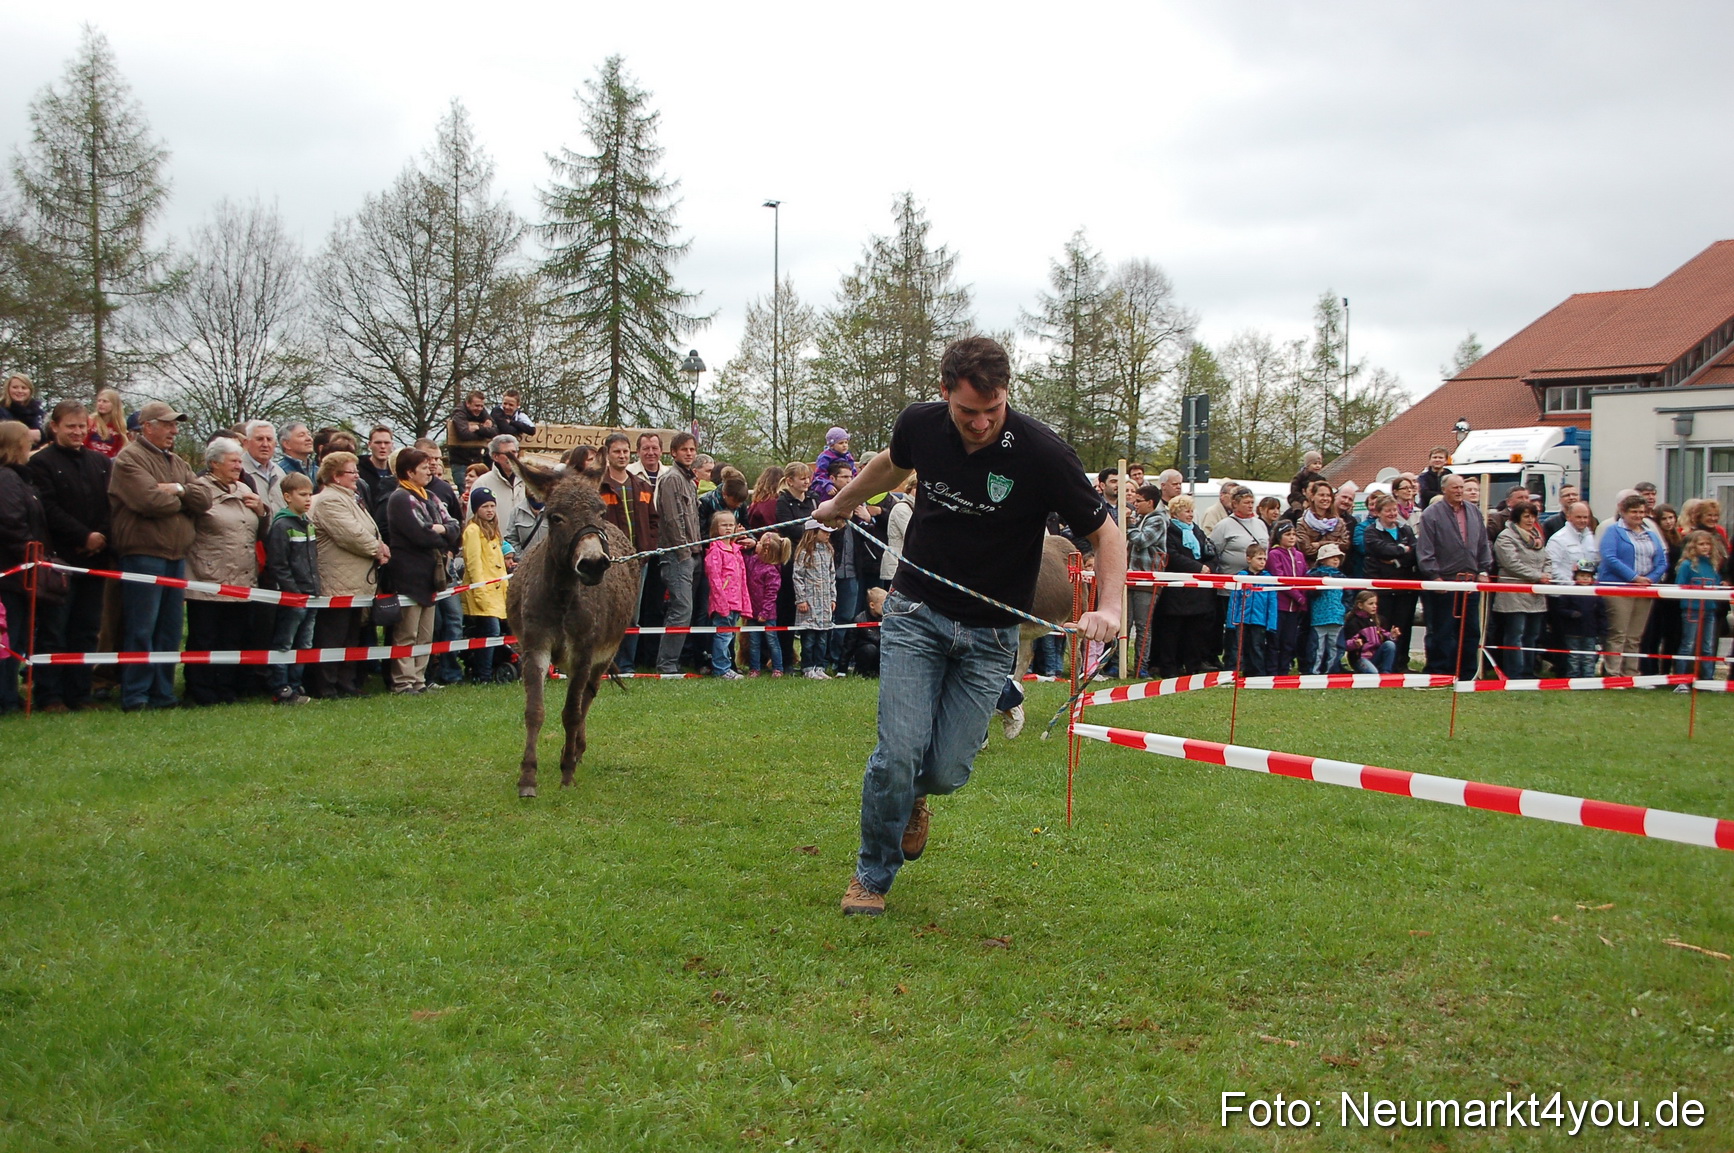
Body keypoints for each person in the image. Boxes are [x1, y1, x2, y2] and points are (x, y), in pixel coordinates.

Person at [815, 336, 1123, 916]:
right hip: (916, 614)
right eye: (967, 411)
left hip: (989, 637)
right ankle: (871, 876)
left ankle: (914, 801)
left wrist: (1111, 608)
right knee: (897, 753)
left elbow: (1106, 532)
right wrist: (839, 503)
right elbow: (891, 462)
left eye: (993, 409)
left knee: (949, 769)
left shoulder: (1041, 453)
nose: (980, 423)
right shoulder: (921, 425)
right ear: (943, 394)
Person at [109, 401, 213, 711]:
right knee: (142, 628)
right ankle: (136, 694)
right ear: (148, 426)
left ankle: (163, 693)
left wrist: (178, 489)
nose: (174, 430)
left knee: (168, 631)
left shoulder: (177, 462)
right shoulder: (128, 460)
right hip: (143, 554)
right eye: (168, 424)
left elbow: (204, 498)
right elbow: (149, 501)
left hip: (175, 555)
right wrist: (183, 499)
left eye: (175, 425)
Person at [27, 402, 113, 712]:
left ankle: (80, 693)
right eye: (70, 427)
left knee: (87, 628)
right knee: (54, 630)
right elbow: (47, 508)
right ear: (55, 427)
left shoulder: (101, 463)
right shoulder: (41, 463)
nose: (77, 432)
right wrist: (82, 536)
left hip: (96, 560)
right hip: (59, 560)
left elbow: (109, 505)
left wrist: (99, 537)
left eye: (81, 427)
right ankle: (50, 695)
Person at [184, 437, 268, 707]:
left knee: (232, 637)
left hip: (242, 577)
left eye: (239, 461)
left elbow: (261, 531)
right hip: (208, 576)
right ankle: (201, 689)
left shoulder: (245, 488)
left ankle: (227, 686)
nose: (238, 466)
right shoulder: (199, 490)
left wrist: (262, 511)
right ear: (213, 463)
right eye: (233, 461)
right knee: (204, 636)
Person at [309, 451, 387, 698]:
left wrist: (380, 545)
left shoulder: (351, 498)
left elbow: (369, 529)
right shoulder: (328, 501)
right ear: (335, 476)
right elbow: (351, 534)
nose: (356, 476)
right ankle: (326, 685)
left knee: (351, 636)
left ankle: (346, 683)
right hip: (337, 583)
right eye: (351, 472)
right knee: (333, 635)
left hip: (356, 583)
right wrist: (378, 549)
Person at [385, 448, 458, 694]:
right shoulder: (400, 499)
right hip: (409, 575)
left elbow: (454, 526)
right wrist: (440, 532)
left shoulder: (429, 496)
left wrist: (441, 530)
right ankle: (402, 682)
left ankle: (418, 679)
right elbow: (420, 534)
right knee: (407, 632)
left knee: (425, 633)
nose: (430, 471)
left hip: (431, 576)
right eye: (424, 467)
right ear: (409, 471)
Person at [1416, 473, 1491, 680]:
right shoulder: (1431, 514)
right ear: (1444, 489)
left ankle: (1467, 675)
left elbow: (1483, 543)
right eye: (1455, 487)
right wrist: (1434, 576)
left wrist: (1483, 569)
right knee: (1442, 631)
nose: (1459, 491)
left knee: (1470, 631)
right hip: (1445, 582)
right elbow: (1425, 549)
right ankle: (1440, 673)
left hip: (1470, 582)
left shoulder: (1474, 512)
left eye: (1461, 487)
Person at [0, 422, 46, 714]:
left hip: (22, 571)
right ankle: (4, 698)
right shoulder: (6, 479)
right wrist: (31, 552)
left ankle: (8, 694)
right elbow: (11, 521)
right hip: (11, 572)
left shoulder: (21, 479)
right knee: (8, 636)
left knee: (17, 638)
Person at [263, 472, 319, 705]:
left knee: (304, 643)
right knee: (285, 643)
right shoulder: (282, 526)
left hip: (312, 593)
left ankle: (297, 684)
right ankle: (281, 686)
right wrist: (293, 592)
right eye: (302, 494)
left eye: (310, 494)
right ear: (287, 497)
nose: (308, 499)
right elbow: (278, 564)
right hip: (293, 596)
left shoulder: (308, 524)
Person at [1597, 493, 1667, 677]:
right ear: (1623, 512)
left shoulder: (1651, 533)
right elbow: (1609, 557)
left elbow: (1661, 560)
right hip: (1618, 588)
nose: (1638, 515)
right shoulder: (1613, 531)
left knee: (1635, 636)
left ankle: (1631, 673)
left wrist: (1650, 579)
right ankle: (1613, 673)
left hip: (1644, 590)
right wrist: (1634, 577)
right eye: (1634, 512)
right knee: (1618, 633)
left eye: (1641, 512)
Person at [1149, 494, 1216, 678]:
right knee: (1171, 633)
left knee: (1194, 633)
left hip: (1198, 592)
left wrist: (1209, 567)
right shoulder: (1169, 531)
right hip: (1176, 593)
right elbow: (1171, 555)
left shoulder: (1197, 531)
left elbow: (1209, 552)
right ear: (1176, 512)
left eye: (1192, 510)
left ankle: (1192, 666)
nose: (1191, 514)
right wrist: (1197, 568)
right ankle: (1169, 667)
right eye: (1187, 511)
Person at [652, 432, 702, 674]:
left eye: (692, 449)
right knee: (681, 609)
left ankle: (674, 660)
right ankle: (667, 664)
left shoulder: (688, 479)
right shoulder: (672, 479)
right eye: (684, 450)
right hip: (677, 555)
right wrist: (683, 553)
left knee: (684, 609)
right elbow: (672, 520)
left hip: (693, 552)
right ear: (673, 453)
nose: (689, 453)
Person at [1491, 501, 1551, 678]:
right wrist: (1536, 576)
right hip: (1513, 594)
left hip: (1536, 594)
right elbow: (1511, 563)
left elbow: (1547, 559)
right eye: (1526, 516)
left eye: (1533, 516)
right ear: (1517, 517)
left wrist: (1546, 574)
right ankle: (1514, 673)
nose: (1531, 520)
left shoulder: (1537, 537)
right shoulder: (1506, 537)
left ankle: (1528, 671)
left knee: (1532, 635)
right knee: (1515, 634)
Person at [1362, 493, 1419, 669]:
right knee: (1383, 625)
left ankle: (1401, 663)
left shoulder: (1405, 530)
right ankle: (1382, 663)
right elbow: (1379, 549)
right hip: (1382, 588)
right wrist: (1401, 550)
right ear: (1378, 512)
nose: (1392, 513)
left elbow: (1414, 552)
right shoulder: (1371, 531)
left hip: (1405, 587)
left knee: (1403, 626)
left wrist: (1396, 558)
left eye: (1394, 510)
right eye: (1388, 510)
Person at [460, 488, 509, 684]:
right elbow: (474, 565)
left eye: (492, 506)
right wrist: (480, 593)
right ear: (476, 509)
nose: (489, 510)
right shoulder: (473, 531)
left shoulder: (494, 531)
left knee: (497, 633)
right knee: (490, 632)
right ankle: (483, 674)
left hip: (497, 593)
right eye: (484, 506)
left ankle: (492, 669)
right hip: (483, 592)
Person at [773, 462, 819, 670]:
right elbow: (791, 530)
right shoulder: (783, 502)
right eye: (802, 478)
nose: (806, 482)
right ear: (790, 481)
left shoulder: (813, 500)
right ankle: (785, 659)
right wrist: (811, 532)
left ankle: (812, 660)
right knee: (787, 611)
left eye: (808, 478)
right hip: (791, 561)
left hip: (811, 560)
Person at [703, 508, 751, 680]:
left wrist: (745, 603)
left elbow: (742, 579)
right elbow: (715, 580)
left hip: (736, 602)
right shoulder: (715, 551)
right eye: (724, 525)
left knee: (730, 636)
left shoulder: (736, 550)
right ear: (716, 528)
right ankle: (721, 668)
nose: (728, 528)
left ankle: (727, 666)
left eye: (731, 525)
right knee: (722, 636)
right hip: (722, 604)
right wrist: (721, 603)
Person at [1126, 482, 1168, 676]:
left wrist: (1129, 526)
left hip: (1147, 579)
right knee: (1125, 624)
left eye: (1139, 501)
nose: (1135, 505)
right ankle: (1118, 663)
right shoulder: (1141, 518)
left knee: (1143, 626)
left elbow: (1142, 540)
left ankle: (1141, 667)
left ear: (1150, 502)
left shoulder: (1158, 520)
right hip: (1130, 576)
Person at [1674, 530, 1724, 687]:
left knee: (1708, 646)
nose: (1705, 547)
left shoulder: (1712, 564)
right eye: (1701, 544)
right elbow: (1679, 586)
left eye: (1708, 544)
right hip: (1692, 609)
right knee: (1688, 644)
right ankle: (1681, 680)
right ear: (1692, 546)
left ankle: (1708, 680)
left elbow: (1716, 584)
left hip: (1709, 609)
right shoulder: (1687, 565)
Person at [791, 519, 836, 679]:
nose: (828, 534)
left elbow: (832, 576)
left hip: (824, 603)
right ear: (813, 532)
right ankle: (807, 666)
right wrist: (801, 599)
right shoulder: (804, 553)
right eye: (824, 531)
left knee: (822, 639)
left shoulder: (828, 551)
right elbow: (797, 577)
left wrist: (833, 598)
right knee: (809, 638)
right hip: (810, 603)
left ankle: (820, 666)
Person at [1265, 520, 1310, 675]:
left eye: (1294, 534)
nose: (1292, 537)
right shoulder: (1274, 554)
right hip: (1279, 605)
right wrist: (1299, 597)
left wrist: (1302, 599)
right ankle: (1271, 670)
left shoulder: (1299, 555)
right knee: (1274, 640)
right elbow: (1280, 578)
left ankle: (1284, 670)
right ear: (1279, 536)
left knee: (1289, 641)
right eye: (1287, 534)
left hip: (1295, 607)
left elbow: (1304, 577)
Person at [1549, 561, 1607, 677]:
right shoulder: (1569, 592)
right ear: (1575, 577)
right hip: (1572, 632)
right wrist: (1571, 614)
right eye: (1581, 576)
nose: (1584, 579)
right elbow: (1560, 609)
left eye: (1587, 576)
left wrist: (1602, 630)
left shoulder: (1596, 595)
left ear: (1592, 578)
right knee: (1573, 656)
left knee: (1589, 657)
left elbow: (1601, 614)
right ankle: (1573, 677)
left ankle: (1588, 677)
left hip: (1590, 632)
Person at [1224, 543, 1274, 673]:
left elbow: (1272, 603)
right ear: (1249, 559)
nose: (1262, 562)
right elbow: (1234, 600)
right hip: (1241, 620)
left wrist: (1271, 624)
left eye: (1264, 559)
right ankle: (1233, 673)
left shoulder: (1268, 578)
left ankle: (1257, 673)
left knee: (1257, 647)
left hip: (1259, 620)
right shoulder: (1241, 576)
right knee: (1237, 647)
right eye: (1259, 558)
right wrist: (1231, 621)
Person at [744, 534, 789, 676]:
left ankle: (778, 668)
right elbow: (744, 560)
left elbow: (771, 595)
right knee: (754, 642)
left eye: (758, 543)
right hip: (752, 612)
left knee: (772, 641)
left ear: (766, 550)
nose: (755, 544)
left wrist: (765, 612)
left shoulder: (771, 571)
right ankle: (755, 668)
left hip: (767, 615)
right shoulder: (753, 561)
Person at [1306, 543, 1348, 674]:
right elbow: (1310, 594)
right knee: (1316, 648)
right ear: (1322, 560)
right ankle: (1314, 671)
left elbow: (1348, 596)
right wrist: (1321, 584)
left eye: (1338, 557)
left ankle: (1331, 671)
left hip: (1337, 617)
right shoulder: (1313, 575)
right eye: (1332, 557)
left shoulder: (1342, 577)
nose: (1336, 560)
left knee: (1335, 647)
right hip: (1319, 617)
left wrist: (1345, 608)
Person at [475, 435, 526, 530]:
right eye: (507, 453)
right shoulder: (482, 483)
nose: (512, 457)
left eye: (514, 452)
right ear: (495, 456)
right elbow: (473, 521)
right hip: (494, 542)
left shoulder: (527, 482)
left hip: (525, 543)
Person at [1341, 591, 1399, 674]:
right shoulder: (1353, 622)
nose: (1374, 606)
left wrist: (1392, 636)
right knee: (1373, 673)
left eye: (1375, 603)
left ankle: (1386, 672)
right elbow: (1346, 644)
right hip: (1360, 658)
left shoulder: (1379, 620)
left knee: (1390, 644)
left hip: (1375, 655)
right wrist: (1355, 643)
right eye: (1371, 604)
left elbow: (1385, 636)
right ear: (1360, 605)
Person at [1295, 480, 1349, 563]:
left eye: (1328, 495)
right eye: (1321, 495)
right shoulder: (1302, 523)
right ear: (1312, 497)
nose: (1325, 498)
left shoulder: (1339, 523)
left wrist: (1320, 544)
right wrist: (1333, 546)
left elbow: (1345, 545)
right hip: (1311, 569)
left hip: (1334, 570)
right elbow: (1306, 550)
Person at [239, 420, 286, 513]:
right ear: (246, 443)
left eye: (269, 439)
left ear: (275, 444)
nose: (265, 444)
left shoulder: (280, 473)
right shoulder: (238, 470)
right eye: (259, 439)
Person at [1546, 502, 1598, 583]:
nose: (1582, 520)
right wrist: (1570, 584)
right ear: (1568, 517)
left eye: (1585, 517)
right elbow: (1552, 567)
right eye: (1578, 517)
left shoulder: (1591, 538)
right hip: (1564, 592)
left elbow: (1595, 563)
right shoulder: (1557, 539)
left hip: (1587, 590)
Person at [358, 426, 398, 532]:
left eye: (387, 443)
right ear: (369, 445)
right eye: (378, 443)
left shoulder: (398, 472)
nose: (383, 446)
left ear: (392, 445)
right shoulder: (358, 471)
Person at [447, 390, 497, 472]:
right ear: (468, 403)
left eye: (482, 406)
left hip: (477, 459)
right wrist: (484, 432)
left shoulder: (482, 412)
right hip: (460, 461)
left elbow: (494, 431)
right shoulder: (459, 413)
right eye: (477, 406)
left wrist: (478, 428)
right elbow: (464, 435)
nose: (479, 409)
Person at [811, 427, 857, 500]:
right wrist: (827, 485)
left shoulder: (848, 456)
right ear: (832, 445)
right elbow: (820, 474)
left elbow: (853, 471)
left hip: (842, 484)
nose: (844, 445)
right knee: (826, 494)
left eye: (846, 442)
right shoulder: (825, 457)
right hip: (824, 484)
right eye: (840, 443)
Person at [85, 388, 129, 457]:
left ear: (114, 405)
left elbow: (120, 449)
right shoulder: (90, 421)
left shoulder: (119, 425)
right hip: (89, 460)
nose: (100, 404)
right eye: (99, 401)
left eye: (105, 401)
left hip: (109, 462)